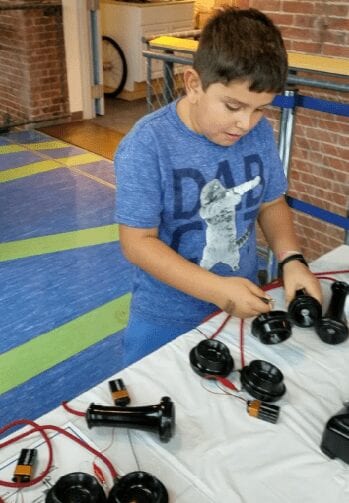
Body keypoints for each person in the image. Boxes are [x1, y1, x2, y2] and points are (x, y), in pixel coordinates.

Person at [114, 7, 322, 366]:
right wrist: (217, 290)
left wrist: (292, 259)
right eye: (233, 106)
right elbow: (137, 244)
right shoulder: (147, 144)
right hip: (165, 317)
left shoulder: (257, 133)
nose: (245, 123)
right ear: (194, 84)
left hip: (237, 305)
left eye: (261, 109)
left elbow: (271, 204)